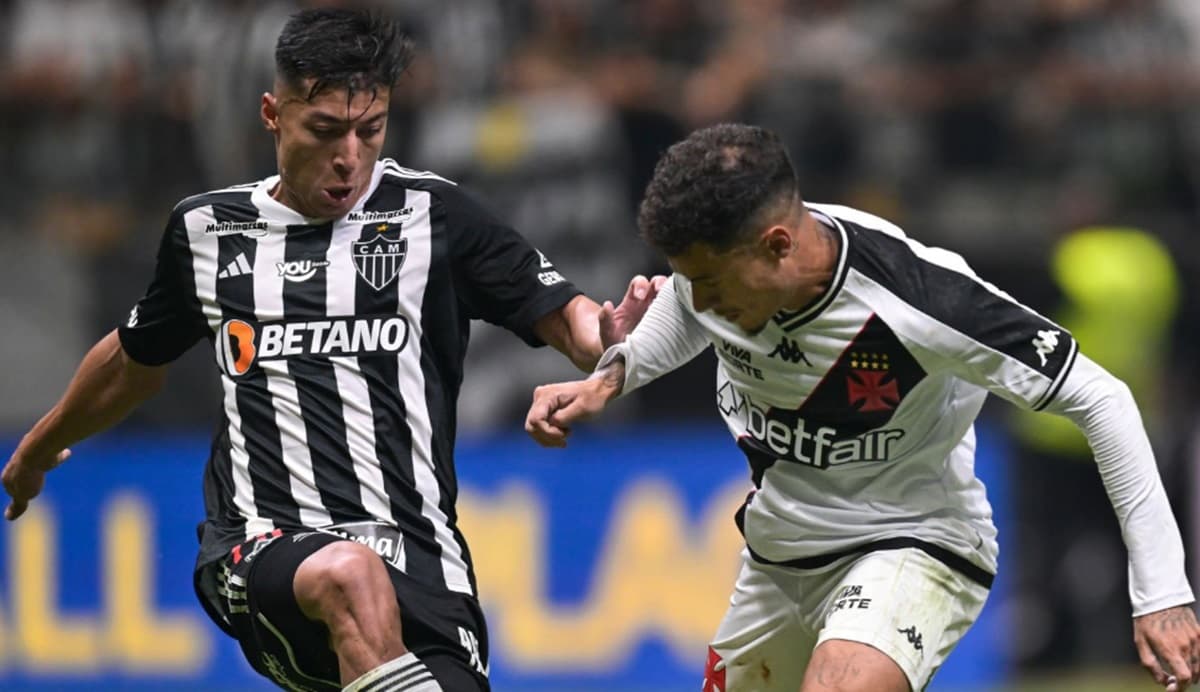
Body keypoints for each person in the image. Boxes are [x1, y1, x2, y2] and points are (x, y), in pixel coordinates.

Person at [1, 9, 661, 692]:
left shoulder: (436, 218)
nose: (350, 155)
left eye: (369, 130)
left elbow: (571, 321)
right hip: (261, 550)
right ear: (272, 113)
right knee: (348, 573)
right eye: (324, 130)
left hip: (424, 572)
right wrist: (38, 448)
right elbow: (132, 364)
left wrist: (608, 340)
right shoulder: (207, 230)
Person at [524, 123, 1200, 692]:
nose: (700, 300)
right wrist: (614, 374)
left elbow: (1102, 398)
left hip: (912, 536)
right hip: (781, 556)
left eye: (710, 282)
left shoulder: (924, 301)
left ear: (779, 247)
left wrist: (1162, 592)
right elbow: (680, 302)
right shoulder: (727, 267)